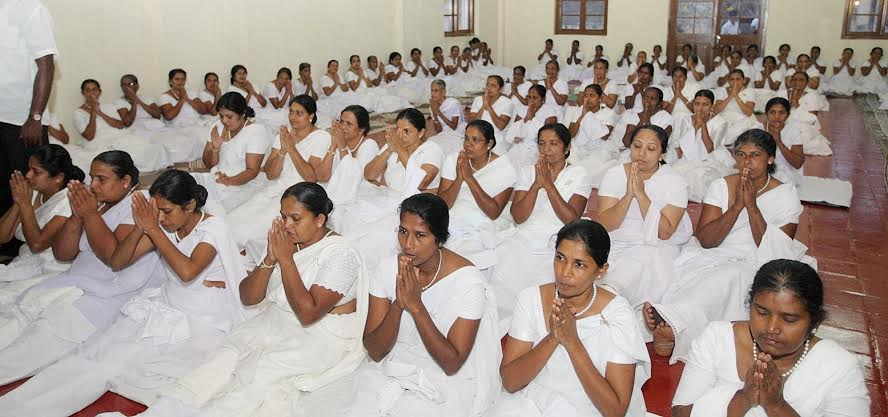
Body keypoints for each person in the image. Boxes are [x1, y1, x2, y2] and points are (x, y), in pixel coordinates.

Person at [0, 170, 247, 416]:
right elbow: (118, 261)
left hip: (201, 319)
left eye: (167, 211)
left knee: (110, 365)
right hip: (167, 304)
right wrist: (141, 228)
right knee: (90, 355)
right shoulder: (162, 225)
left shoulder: (213, 228)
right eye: (157, 210)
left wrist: (153, 229)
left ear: (190, 205)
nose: (161, 218)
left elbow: (187, 271)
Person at [133, 182, 369, 417]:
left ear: (319, 220)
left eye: (295, 219)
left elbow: (309, 314)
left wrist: (285, 260)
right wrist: (270, 258)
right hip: (276, 322)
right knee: (222, 360)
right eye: (283, 217)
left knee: (259, 374)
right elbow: (248, 297)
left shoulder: (341, 254)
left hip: (318, 337)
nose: (287, 225)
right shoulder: (289, 243)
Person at [299, 193, 500, 417]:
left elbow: (451, 364)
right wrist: (397, 306)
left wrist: (416, 306)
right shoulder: (387, 269)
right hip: (393, 367)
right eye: (403, 231)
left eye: (420, 235)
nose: (408, 244)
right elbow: (375, 351)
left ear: (440, 239)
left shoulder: (468, 282)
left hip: (444, 379)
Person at [643, 129, 811, 362]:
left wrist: (752, 206)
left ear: (770, 158)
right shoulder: (721, 186)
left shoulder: (785, 195)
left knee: (727, 277)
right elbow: (707, 241)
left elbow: (776, 251)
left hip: (756, 258)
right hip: (714, 252)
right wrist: (736, 207)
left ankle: (674, 322)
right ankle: (668, 321)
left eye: (755, 155)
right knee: (677, 271)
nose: (746, 162)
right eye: (741, 155)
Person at [0, 151, 163, 386]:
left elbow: (112, 257)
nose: (93, 185)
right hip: (72, 281)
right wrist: (77, 217)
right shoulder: (101, 204)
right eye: (91, 177)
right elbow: (63, 254)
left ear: (125, 181)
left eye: (101, 179)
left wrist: (89, 215)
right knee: (17, 316)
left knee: (34, 343)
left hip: (103, 297)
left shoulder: (139, 203)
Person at [489, 219, 651, 417]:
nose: (565, 272)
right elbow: (510, 382)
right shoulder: (531, 299)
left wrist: (573, 342)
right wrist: (552, 338)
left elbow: (615, 410)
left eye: (579, 264)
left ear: (601, 271)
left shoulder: (617, 315)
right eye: (560, 258)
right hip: (532, 404)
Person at [671, 259, 869, 417]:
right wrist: (744, 398)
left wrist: (776, 406)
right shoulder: (716, 339)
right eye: (762, 312)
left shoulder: (839, 367)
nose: (772, 328)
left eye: (789, 319)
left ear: (815, 322)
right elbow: (679, 413)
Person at [491, 124, 592, 333]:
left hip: (557, 242)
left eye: (553, 144)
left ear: (566, 147)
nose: (546, 149)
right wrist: (536, 185)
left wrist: (549, 185)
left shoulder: (579, 173)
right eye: (542, 143)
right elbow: (519, 217)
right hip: (524, 236)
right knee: (500, 274)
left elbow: (571, 218)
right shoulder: (528, 172)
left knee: (539, 292)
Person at [336, 109, 444, 269]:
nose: (400, 135)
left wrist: (399, 149)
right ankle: (341, 260)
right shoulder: (393, 146)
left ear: (421, 132)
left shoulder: (431, 149)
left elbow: (421, 181)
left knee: (377, 234)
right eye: (398, 129)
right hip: (387, 197)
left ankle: (361, 267)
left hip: (413, 204)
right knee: (345, 214)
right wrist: (389, 150)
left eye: (407, 131)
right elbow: (369, 174)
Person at [597, 125, 693, 306]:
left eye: (650, 149)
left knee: (629, 272)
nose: (641, 153)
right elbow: (605, 224)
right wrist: (628, 196)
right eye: (637, 146)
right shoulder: (614, 174)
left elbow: (665, 232)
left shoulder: (675, 181)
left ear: (662, 154)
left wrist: (641, 195)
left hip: (656, 244)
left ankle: (609, 300)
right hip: (616, 238)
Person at [224, 95, 331, 248]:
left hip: (300, 195)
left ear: (311, 116)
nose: (293, 117)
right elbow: (270, 174)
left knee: (250, 231)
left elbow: (311, 178)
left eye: (299, 113)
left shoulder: (321, 137)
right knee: (235, 218)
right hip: (277, 187)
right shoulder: (285, 133)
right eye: (291, 112)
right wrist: (281, 151)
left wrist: (291, 149)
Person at [0, 0, 57, 258]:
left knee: (26, 185)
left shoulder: (31, 10)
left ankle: (27, 247)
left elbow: (46, 65)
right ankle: (5, 246)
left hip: (21, 121)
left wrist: (35, 116)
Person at [0, 145, 83, 300]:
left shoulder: (68, 200)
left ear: (58, 177)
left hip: (50, 268)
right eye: (29, 169)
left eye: (36, 172)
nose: (28, 175)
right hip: (24, 263)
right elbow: (3, 237)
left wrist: (25, 204)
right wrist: (18, 203)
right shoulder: (33, 192)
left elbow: (37, 244)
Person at [438, 119, 517, 270]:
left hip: (481, 223)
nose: (468, 144)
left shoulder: (504, 168)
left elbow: (493, 212)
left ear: (489, 144)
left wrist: (469, 178)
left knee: (463, 261)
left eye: (475, 140)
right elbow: (443, 204)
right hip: (450, 218)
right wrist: (459, 179)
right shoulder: (454, 159)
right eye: (466, 138)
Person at [72, 79, 172, 172]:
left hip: (118, 136)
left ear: (99, 92)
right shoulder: (78, 112)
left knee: (151, 147)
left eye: (94, 90)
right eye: (88, 90)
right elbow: (89, 136)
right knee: (129, 155)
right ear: (83, 93)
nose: (91, 93)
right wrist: (93, 113)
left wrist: (101, 113)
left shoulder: (108, 107)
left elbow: (120, 125)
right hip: (98, 141)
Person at [195, 92, 271, 213]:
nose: (224, 120)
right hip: (219, 177)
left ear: (243, 115)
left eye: (229, 117)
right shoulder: (217, 127)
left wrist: (229, 181)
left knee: (211, 209)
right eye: (221, 116)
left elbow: (252, 171)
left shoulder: (256, 131)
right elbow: (209, 164)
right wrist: (215, 149)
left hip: (246, 183)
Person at [669, 90, 735, 201]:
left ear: (711, 106)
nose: (700, 108)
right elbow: (683, 145)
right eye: (697, 104)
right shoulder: (685, 120)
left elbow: (710, 149)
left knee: (703, 181)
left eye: (705, 104)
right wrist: (695, 127)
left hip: (711, 159)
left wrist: (703, 125)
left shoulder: (720, 122)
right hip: (688, 157)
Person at [323, 105, 380, 206]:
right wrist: (333, 146)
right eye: (341, 122)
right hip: (335, 187)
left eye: (349, 124)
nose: (343, 127)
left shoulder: (369, 145)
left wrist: (341, 148)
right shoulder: (337, 140)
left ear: (361, 130)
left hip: (361, 193)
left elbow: (356, 179)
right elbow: (322, 176)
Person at [156, 69, 213, 164]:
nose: (180, 82)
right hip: (179, 127)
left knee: (214, 132)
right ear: (170, 81)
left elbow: (203, 110)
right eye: (177, 79)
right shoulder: (164, 97)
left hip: (197, 122)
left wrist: (188, 99)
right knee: (202, 136)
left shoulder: (191, 93)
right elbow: (169, 116)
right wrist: (182, 100)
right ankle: (210, 159)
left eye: (183, 79)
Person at [566, 84, 619, 188]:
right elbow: (571, 134)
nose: (588, 99)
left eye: (592, 95)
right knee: (567, 156)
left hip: (598, 149)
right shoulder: (578, 111)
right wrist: (582, 115)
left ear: (600, 98)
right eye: (585, 95)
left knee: (598, 162)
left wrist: (588, 115)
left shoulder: (609, 113)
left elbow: (604, 136)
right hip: (579, 148)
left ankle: (579, 177)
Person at [504, 84, 560, 167]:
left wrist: (532, 118)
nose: (531, 100)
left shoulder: (550, 112)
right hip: (519, 147)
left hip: (537, 149)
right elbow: (513, 132)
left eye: (535, 97)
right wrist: (526, 118)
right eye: (529, 97)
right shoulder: (522, 109)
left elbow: (547, 135)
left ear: (543, 99)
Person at [754, 97, 806, 186]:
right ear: (766, 114)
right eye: (772, 112)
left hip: (787, 173)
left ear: (788, 115)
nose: (777, 117)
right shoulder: (757, 129)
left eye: (781, 112)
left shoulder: (793, 131)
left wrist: (779, 142)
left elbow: (798, 164)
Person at [614, 86, 673, 153]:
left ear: (660, 103)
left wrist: (647, 120)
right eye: (645, 97)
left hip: (655, 154)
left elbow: (661, 143)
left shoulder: (665, 117)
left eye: (652, 99)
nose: (648, 101)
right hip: (633, 152)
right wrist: (642, 120)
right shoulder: (634, 115)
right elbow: (627, 142)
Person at [468, 75, 515, 155]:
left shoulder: (507, 103)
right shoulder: (478, 100)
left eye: (493, 85)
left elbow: (501, 126)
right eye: (488, 84)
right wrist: (483, 106)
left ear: (500, 89)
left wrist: (489, 106)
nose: (489, 88)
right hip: (476, 136)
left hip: (497, 138)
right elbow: (472, 122)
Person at [714, 69, 757, 144]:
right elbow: (716, 110)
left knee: (732, 133)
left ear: (743, 80)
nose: (735, 82)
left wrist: (736, 96)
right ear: (728, 81)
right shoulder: (722, 91)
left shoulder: (750, 91)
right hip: (724, 118)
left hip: (742, 119)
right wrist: (730, 95)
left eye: (738, 79)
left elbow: (748, 112)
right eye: (732, 79)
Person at [426, 79, 468, 155]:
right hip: (444, 133)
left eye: (436, 91)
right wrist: (435, 114)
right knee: (430, 142)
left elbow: (454, 126)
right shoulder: (432, 106)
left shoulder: (453, 103)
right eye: (431, 90)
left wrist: (439, 113)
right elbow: (438, 130)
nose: (433, 93)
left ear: (443, 92)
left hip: (457, 133)